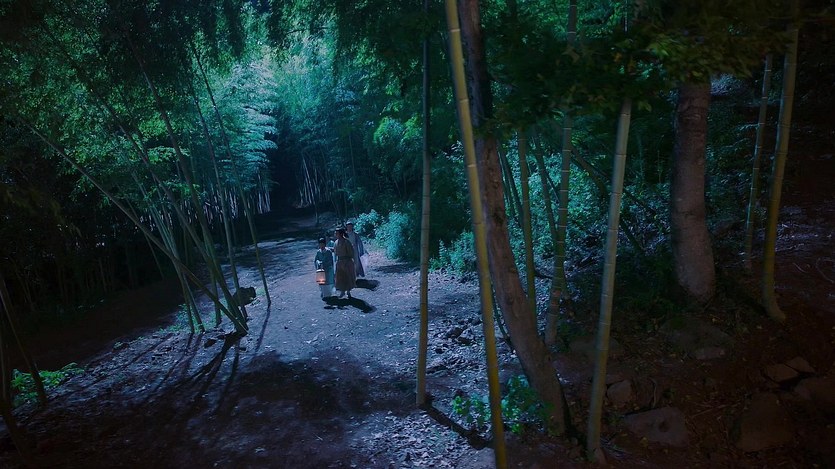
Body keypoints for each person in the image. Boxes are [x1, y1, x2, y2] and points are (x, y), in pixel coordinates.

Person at [333, 227, 356, 298]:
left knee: (348, 277)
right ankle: (342, 291)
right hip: (339, 262)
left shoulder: (346, 242)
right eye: (335, 233)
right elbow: (335, 252)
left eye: (337, 233)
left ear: (341, 234)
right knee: (340, 278)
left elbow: (351, 253)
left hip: (347, 262)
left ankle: (348, 291)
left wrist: (348, 260)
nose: (335, 234)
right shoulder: (336, 242)